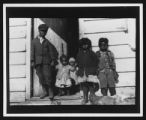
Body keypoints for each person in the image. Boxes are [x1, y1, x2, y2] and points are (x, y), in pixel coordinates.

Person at [31, 24, 58, 101]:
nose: (43, 33)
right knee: (41, 77)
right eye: (42, 31)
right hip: (38, 62)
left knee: (48, 76)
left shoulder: (47, 42)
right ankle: (45, 91)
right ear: (39, 31)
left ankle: (50, 91)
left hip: (46, 62)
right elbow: (32, 52)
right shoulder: (34, 41)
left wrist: (53, 60)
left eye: (45, 31)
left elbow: (51, 52)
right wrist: (32, 61)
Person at [76, 38, 99, 105]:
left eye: (86, 44)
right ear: (81, 45)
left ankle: (92, 98)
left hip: (90, 71)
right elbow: (78, 61)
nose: (85, 46)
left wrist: (95, 69)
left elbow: (96, 61)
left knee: (91, 85)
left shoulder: (91, 53)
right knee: (84, 86)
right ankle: (85, 98)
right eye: (83, 45)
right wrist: (79, 68)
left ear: (88, 45)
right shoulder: (79, 53)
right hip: (82, 72)